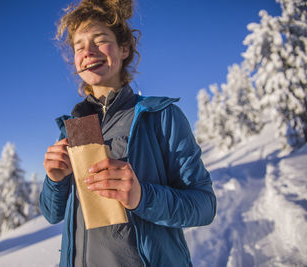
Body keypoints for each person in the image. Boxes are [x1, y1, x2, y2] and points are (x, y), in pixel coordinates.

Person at [40, 0, 216, 266]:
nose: (88, 51)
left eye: (99, 40)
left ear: (124, 49)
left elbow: (204, 205)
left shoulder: (159, 116)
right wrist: (55, 180)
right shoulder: (75, 126)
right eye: (79, 46)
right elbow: (52, 213)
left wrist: (143, 197)